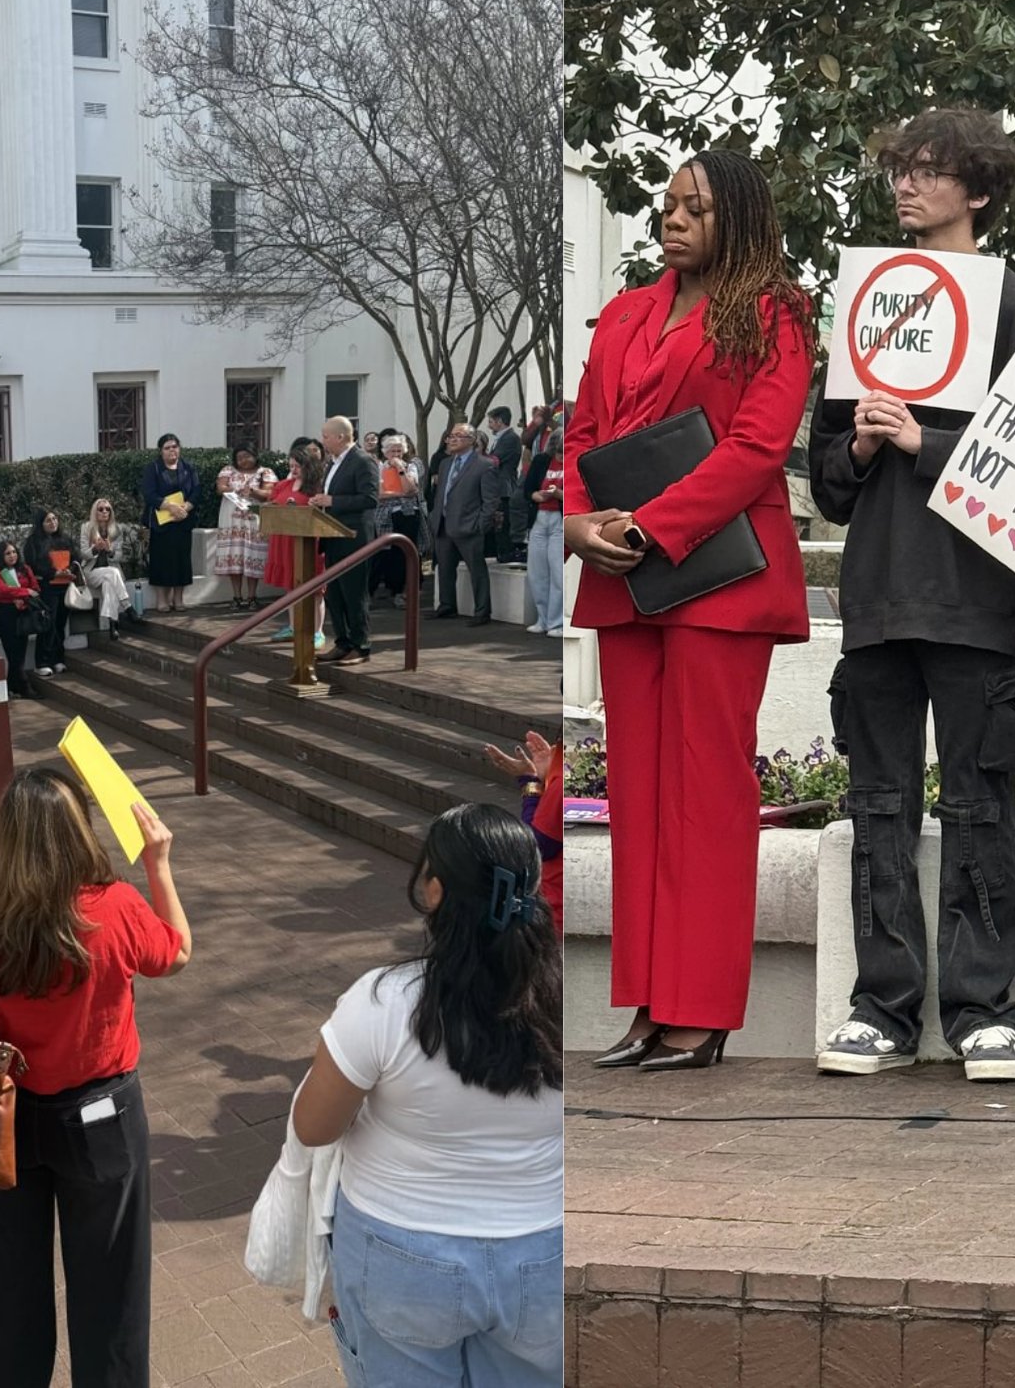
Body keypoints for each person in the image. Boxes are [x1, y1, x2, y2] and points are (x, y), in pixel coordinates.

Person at [804, 109, 1015, 1083]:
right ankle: (881, 1004)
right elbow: (824, 477)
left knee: (977, 800)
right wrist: (864, 443)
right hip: (874, 597)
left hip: (975, 600)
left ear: (980, 191)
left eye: (927, 171)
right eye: (899, 169)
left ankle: (983, 1007)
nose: (905, 186)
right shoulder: (866, 304)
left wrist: (930, 444)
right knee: (877, 802)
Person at [565, 149, 812, 1073]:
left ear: (737, 221)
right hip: (625, 578)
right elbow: (584, 430)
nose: (672, 220)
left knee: (706, 794)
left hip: (718, 580)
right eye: (668, 206)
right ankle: (647, 1003)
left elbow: (757, 445)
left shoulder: (774, 311)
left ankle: (700, 1009)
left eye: (695, 209)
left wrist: (653, 524)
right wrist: (582, 523)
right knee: (636, 797)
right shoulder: (625, 311)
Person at [0, 769, 188, 1388]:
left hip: (0, 1115)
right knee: (112, 1290)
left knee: (3, 1290)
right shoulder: (117, 907)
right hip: (102, 1115)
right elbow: (175, 953)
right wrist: (158, 863)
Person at [289, 805, 561, 1386]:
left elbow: (313, 1127)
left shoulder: (383, 1002)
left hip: (401, 1252)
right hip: (545, 1254)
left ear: (435, 891)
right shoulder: (571, 1009)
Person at [313, 416, 379, 663]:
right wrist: (321, 501)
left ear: (340, 437)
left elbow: (370, 499)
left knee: (354, 593)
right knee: (336, 594)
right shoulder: (333, 463)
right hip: (333, 535)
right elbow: (334, 494)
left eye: (326, 436)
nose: (323, 441)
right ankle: (342, 642)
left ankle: (360, 646)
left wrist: (334, 501)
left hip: (354, 538)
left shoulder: (362, 461)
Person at [426, 421, 502, 625]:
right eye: (450, 436)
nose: (452, 439)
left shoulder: (484, 465)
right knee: (444, 568)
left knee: (476, 570)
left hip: (469, 525)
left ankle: (482, 611)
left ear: (471, 440)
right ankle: (447, 605)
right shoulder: (445, 463)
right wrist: (435, 515)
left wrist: (481, 525)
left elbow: (490, 500)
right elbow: (441, 492)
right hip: (443, 523)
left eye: (457, 436)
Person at [263, 442, 328, 650]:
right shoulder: (283, 485)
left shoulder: (318, 486)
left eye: (297, 466)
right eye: (291, 465)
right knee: (291, 585)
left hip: (309, 541)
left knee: (315, 588)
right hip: (285, 540)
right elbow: (272, 504)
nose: (293, 470)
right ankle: (293, 626)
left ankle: (317, 631)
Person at [141, 434, 201, 613]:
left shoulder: (188, 468)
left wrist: (186, 508)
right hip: (162, 523)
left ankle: (178, 599)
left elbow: (197, 491)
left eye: (174, 446)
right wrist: (170, 507)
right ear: (161, 451)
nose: (172, 450)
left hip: (183, 521)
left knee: (182, 561)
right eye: (167, 448)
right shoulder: (153, 469)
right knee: (161, 561)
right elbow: (149, 493)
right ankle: (162, 600)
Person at [369, 432, 425, 611]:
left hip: (407, 515)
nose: (396, 455)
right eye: (392, 451)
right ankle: (369, 593)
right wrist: (400, 494)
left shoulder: (410, 467)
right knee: (381, 554)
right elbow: (378, 494)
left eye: (399, 451)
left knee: (404, 554)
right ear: (385, 452)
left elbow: (412, 489)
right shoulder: (378, 467)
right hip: (385, 515)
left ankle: (399, 592)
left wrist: (400, 470)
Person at [215, 446, 274, 611]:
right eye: (239, 457)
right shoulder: (228, 470)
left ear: (255, 455)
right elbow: (220, 488)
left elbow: (270, 493)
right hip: (232, 521)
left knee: (252, 554)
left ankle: (252, 596)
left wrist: (254, 492)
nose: (243, 460)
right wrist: (235, 489)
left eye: (246, 456)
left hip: (253, 519)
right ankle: (236, 596)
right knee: (235, 555)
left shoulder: (265, 472)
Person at [525, 413, 566, 635]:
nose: (560, 456)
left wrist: (560, 495)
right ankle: (542, 619)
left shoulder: (575, 461)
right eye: (558, 452)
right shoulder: (541, 461)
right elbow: (527, 489)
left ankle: (556, 622)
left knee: (557, 573)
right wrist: (535, 496)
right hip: (540, 519)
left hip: (559, 521)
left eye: (563, 452)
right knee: (537, 572)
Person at [26, 511, 78, 679]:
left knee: (60, 624)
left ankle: (58, 659)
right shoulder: (33, 542)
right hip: (47, 587)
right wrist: (52, 572)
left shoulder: (65, 539)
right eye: (48, 520)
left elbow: (76, 559)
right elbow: (32, 566)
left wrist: (70, 570)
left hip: (65, 586)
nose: (52, 522)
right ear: (40, 523)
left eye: (55, 519)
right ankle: (42, 662)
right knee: (47, 624)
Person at [0, 540, 40, 698]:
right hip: (6, 612)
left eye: (14, 552)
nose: (12, 556)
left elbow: (35, 588)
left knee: (20, 652)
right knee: (12, 651)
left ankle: (12, 686)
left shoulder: (24, 569)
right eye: (8, 553)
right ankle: (24, 685)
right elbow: (1, 590)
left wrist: (23, 595)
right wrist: (23, 593)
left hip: (23, 611)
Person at [76, 499, 134, 638]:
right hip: (91, 572)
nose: (104, 512)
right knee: (113, 573)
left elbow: (118, 556)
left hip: (109, 572)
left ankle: (112, 627)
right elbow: (83, 553)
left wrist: (109, 551)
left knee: (109, 583)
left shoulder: (116, 530)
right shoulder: (86, 528)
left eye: (108, 509)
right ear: (94, 511)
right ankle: (128, 607)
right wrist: (95, 549)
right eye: (101, 509)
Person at [487, 405, 526, 562]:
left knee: (503, 522)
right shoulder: (500, 439)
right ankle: (500, 551)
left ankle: (506, 551)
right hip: (497, 486)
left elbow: (495, 460)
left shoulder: (511, 439)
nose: (489, 425)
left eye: (491, 421)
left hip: (504, 486)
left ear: (499, 421)